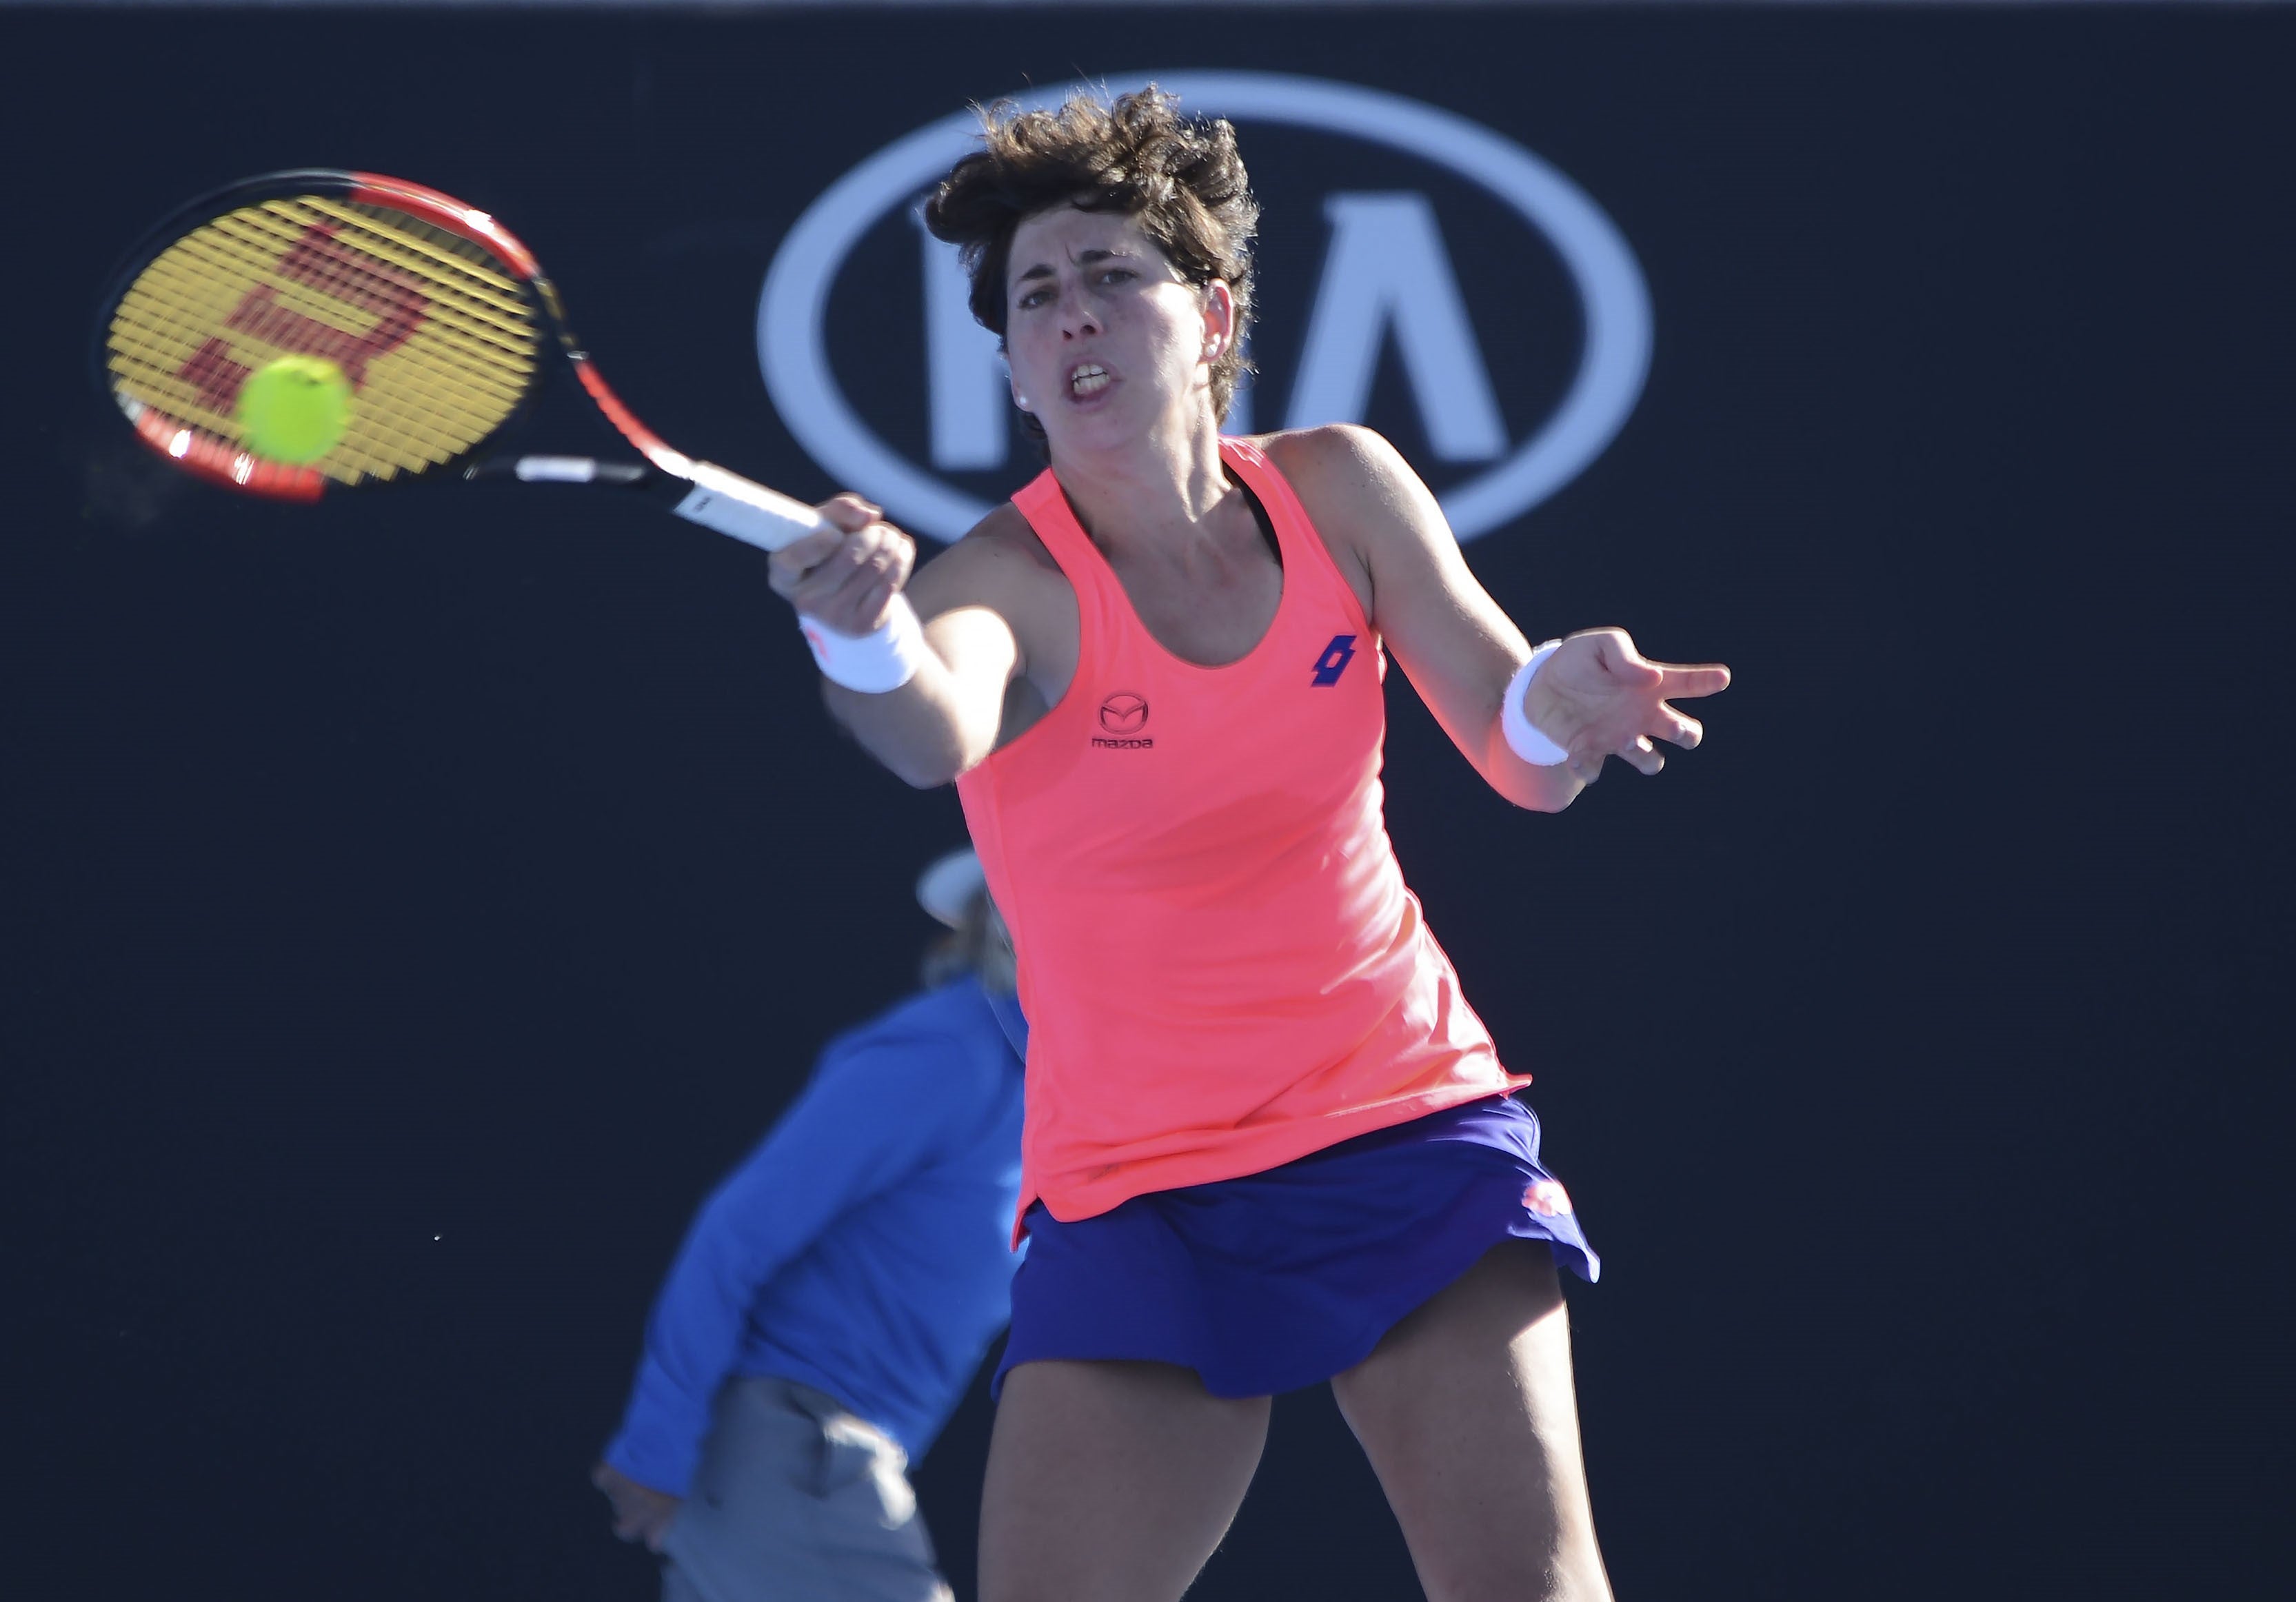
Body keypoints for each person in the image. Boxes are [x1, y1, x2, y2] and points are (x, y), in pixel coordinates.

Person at [763, 88, 1730, 1602]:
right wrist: (866, 636)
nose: (1072, 313)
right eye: (1036, 295)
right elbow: (929, 729)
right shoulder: (1004, 582)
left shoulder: (1342, 485)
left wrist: (1568, 698)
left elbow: (1516, 745)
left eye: (1111, 275)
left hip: (1404, 1126)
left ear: (1210, 317)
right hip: (1136, 1194)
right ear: (1016, 368)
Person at [592, 850, 1025, 1602]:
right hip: (782, 1450)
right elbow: (739, 1231)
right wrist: (655, 1445)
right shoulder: (949, 1052)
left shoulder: (1050, 1094)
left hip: (812, 1465)